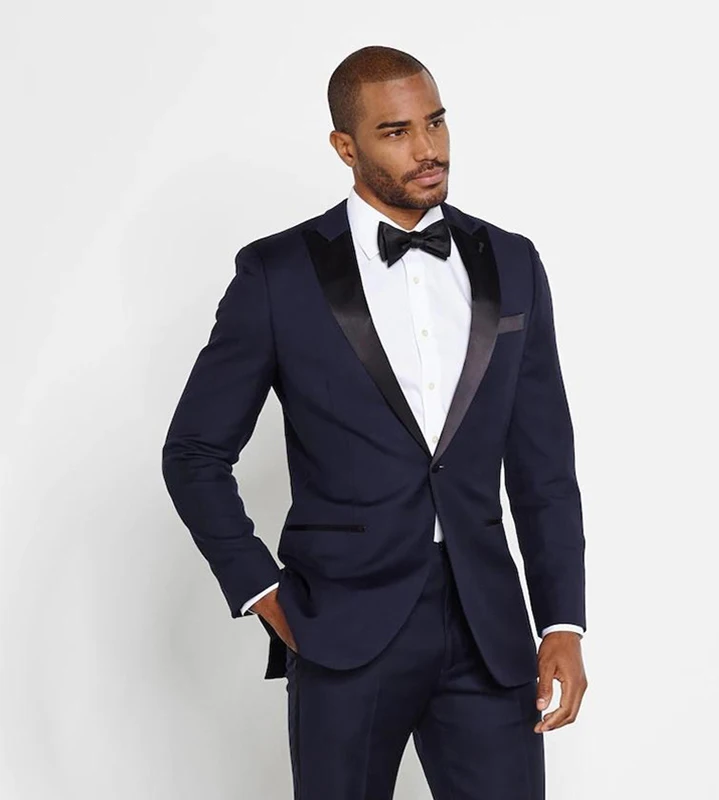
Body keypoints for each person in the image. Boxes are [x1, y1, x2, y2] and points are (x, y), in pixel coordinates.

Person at [162, 44, 587, 800]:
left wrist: (562, 623)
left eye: (435, 122)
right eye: (396, 132)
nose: (427, 149)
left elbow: (544, 465)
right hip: (342, 624)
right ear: (345, 146)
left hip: (488, 627)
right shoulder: (279, 273)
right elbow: (194, 452)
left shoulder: (513, 261)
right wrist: (260, 590)